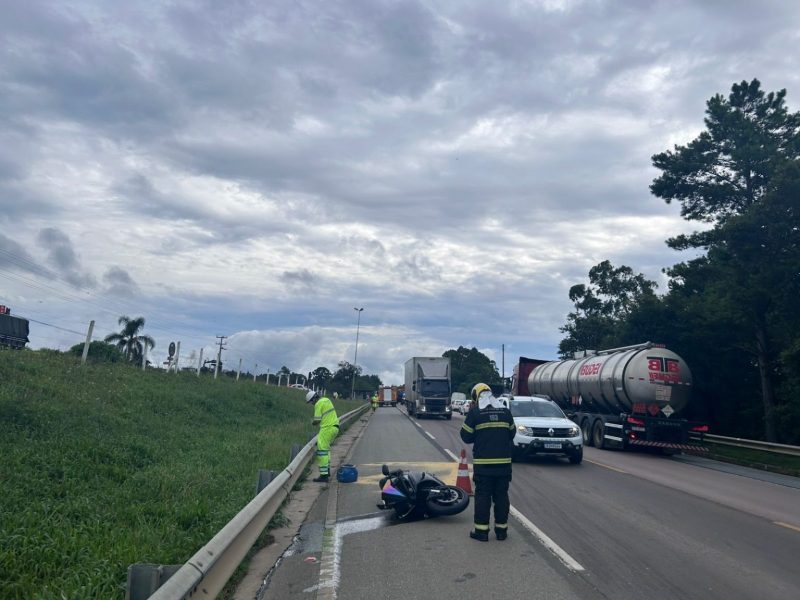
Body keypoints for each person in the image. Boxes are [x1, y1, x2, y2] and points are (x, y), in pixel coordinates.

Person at [460, 383, 515, 542]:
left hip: (484, 466)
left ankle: (481, 532)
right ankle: (501, 531)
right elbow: (512, 433)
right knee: (501, 496)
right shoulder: (505, 412)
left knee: (483, 497)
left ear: (476, 397)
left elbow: (466, 436)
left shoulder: (476, 413)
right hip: (504, 466)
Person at [306, 390, 340, 482]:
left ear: (313, 400)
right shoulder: (327, 400)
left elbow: (317, 419)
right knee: (326, 449)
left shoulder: (318, 404)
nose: (311, 404)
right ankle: (327, 470)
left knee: (321, 451)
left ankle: (324, 475)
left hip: (327, 428)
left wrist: (312, 422)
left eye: (310, 402)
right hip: (335, 427)